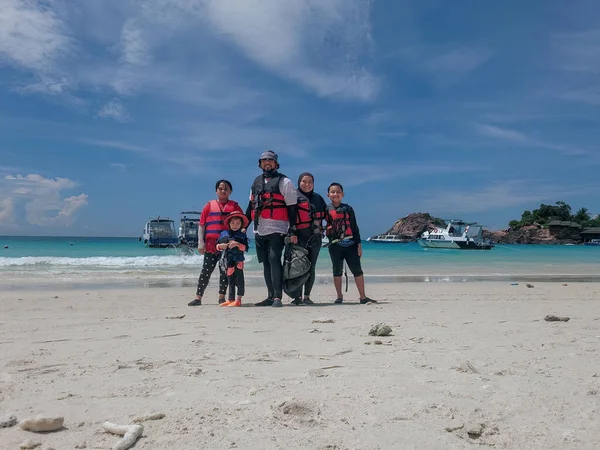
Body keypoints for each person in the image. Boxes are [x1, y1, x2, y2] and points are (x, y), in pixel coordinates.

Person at [246, 150, 298, 308]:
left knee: (275, 259)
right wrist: (243, 226)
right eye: (264, 161)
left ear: (276, 164)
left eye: (270, 160)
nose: (267, 163)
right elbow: (251, 206)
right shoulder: (256, 182)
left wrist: (292, 230)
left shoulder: (285, 182)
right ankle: (270, 296)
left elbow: (292, 208)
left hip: (278, 228)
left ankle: (277, 297)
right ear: (260, 164)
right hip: (259, 230)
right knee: (266, 263)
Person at [188, 180, 243, 306]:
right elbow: (202, 225)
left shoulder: (235, 206)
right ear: (216, 191)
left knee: (225, 271)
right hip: (211, 244)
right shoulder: (209, 206)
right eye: (220, 188)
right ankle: (198, 297)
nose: (223, 191)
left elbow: (242, 223)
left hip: (227, 245)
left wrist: (239, 241)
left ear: (230, 191)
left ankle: (221, 297)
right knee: (206, 270)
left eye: (226, 189)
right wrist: (200, 243)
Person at [325, 182, 375, 304]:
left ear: (342, 194)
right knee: (337, 271)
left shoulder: (348, 209)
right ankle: (339, 296)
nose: (335, 194)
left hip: (351, 245)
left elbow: (354, 227)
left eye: (338, 192)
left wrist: (359, 244)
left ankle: (363, 297)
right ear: (328, 195)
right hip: (334, 246)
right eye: (332, 192)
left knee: (357, 270)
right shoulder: (325, 210)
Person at [291, 172, 327, 305]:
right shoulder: (293, 197)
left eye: (310, 182)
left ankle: (307, 296)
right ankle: (297, 297)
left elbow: (327, 216)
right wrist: (291, 234)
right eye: (304, 181)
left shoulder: (318, 198)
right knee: (298, 267)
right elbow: (289, 217)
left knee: (311, 268)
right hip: (299, 237)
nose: (307, 184)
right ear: (299, 182)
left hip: (315, 238)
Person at [216, 212, 250, 307]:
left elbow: (246, 248)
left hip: (238, 260)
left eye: (238, 223)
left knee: (239, 280)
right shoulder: (224, 234)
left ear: (241, 224)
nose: (235, 226)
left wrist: (238, 245)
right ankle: (230, 299)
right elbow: (217, 246)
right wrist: (221, 246)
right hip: (228, 262)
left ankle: (238, 299)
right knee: (230, 280)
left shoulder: (242, 236)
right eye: (233, 223)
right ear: (229, 223)